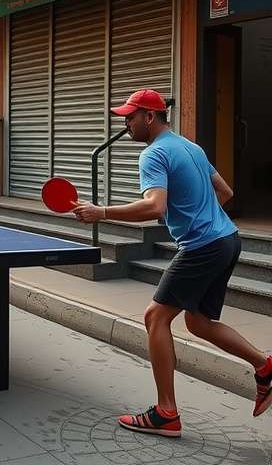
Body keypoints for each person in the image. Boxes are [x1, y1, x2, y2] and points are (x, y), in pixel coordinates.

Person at [72, 89, 272, 437]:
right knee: (198, 322)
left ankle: (166, 413)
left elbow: (155, 206)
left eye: (130, 117)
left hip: (203, 246)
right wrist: (196, 214)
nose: (126, 123)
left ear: (149, 117)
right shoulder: (191, 147)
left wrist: (101, 212)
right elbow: (225, 192)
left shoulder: (153, 154)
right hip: (228, 239)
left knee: (155, 317)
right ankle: (264, 366)